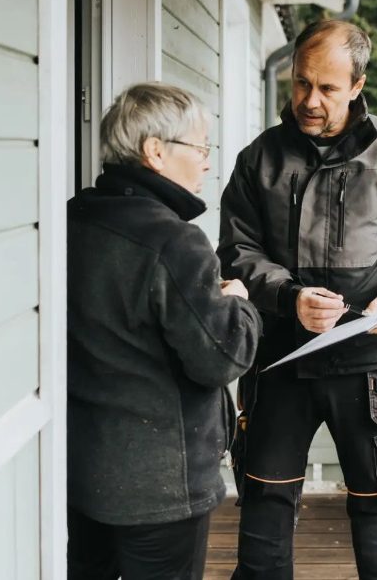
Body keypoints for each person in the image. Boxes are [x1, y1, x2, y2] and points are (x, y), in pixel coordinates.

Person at [217, 19, 377, 580]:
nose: (310, 100)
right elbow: (236, 253)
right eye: (302, 83)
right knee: (263, 511)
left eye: (328, 88)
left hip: (372, 368)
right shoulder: (256, 159)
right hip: (279, 364)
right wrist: (288, 297)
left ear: (358, 84)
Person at [67, 82, 262, 580]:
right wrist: (240, 304)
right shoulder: (173, 240)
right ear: (156, 151)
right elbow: (221, 356)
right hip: (161, 486)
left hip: (80, 471)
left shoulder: (73, 218)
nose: (205, 162)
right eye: (199, 147)